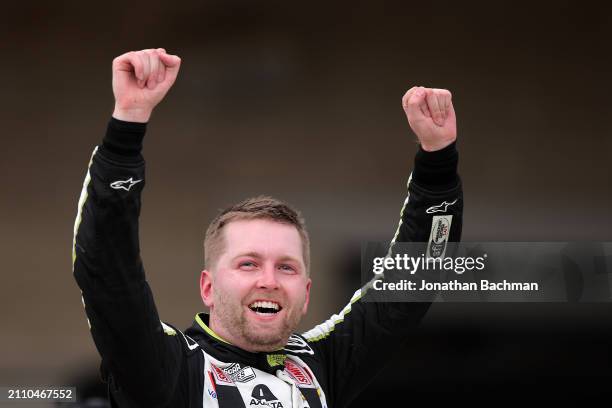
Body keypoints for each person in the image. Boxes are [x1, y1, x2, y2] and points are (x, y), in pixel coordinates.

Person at [72, 48, 463, 407]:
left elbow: (416, 280)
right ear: (208, 287)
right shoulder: (169, 367)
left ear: (306, 293)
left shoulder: (321, 364)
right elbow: (108, 272)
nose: (269, 280)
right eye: (248, 264)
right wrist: (127, 127)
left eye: (287, 267)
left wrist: (438, 162)